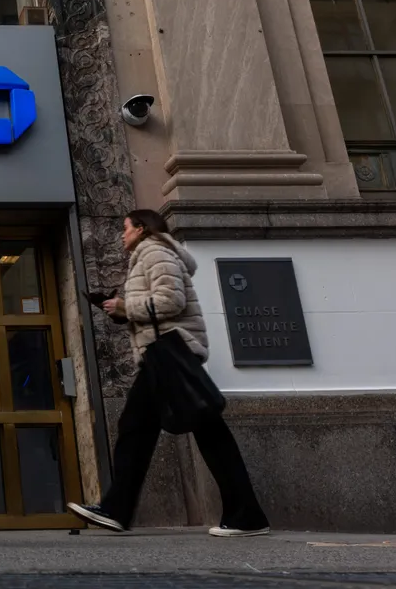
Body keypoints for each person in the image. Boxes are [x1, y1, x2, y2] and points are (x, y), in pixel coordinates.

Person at [67, 209, 270, 538]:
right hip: (162, 353)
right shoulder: (150, 254)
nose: (122, 235)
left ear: (142, 229)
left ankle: (246, 515)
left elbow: (170, 300)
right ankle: (118, 509)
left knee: (166, 430)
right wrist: (120, 309)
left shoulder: (155, 251)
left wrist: (126, 307)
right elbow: (159, 303)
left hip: (167, 353)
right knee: (149, 429)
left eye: (126, 228)